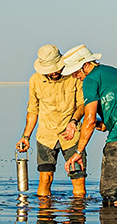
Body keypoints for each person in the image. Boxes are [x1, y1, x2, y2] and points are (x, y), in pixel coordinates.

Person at [60, 45, 117, 207]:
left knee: (111, 193)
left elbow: (89, 119)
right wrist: (102, 124)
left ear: (86, 65)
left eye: (75, 72)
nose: (75, 77)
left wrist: (78, 152)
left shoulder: (91, 79)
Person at [16, 44, 88, 196]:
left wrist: (73, 122)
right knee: (45, 179)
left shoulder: (73, 77)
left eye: (57, 68)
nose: (55, 72)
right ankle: (44, 216)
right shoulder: (35, 80)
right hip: (45, 136)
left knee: (78, 179)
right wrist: (25, 137)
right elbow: (33, 110)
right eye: (50, 70)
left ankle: (78, 216)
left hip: (72, 136)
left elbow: (82, 104)